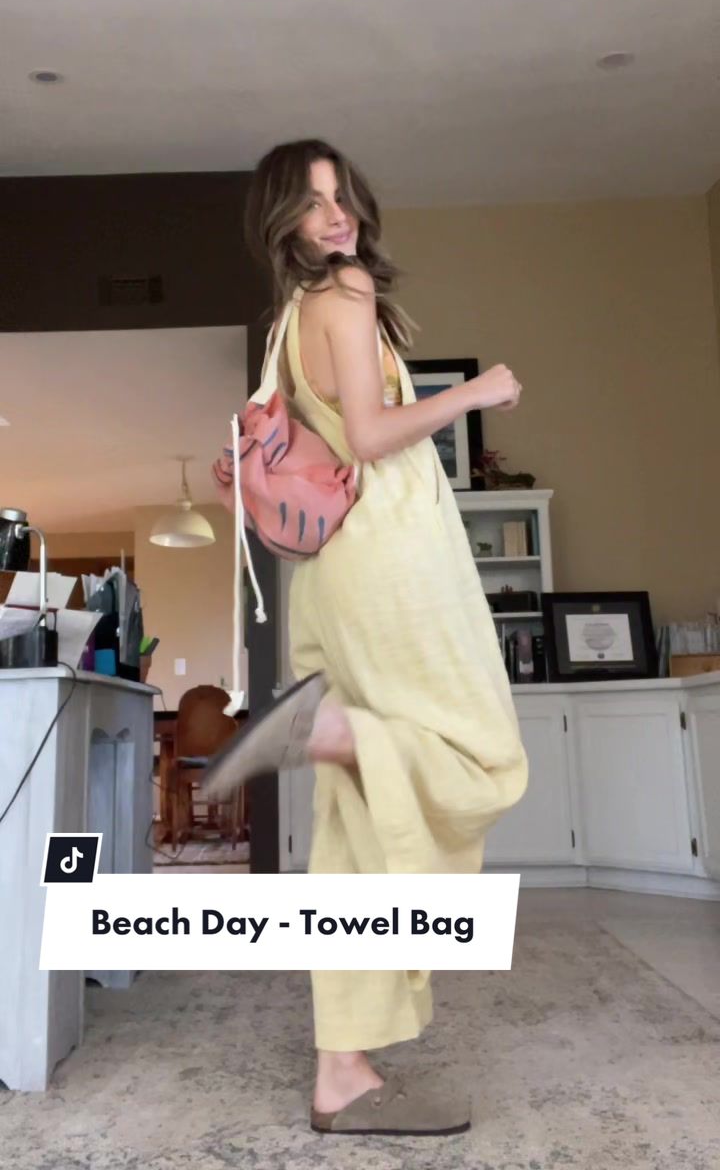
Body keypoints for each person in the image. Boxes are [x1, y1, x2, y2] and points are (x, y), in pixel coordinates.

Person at [206, 138, 529, 1137]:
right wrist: (477, 392)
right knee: (486, 754)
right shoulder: (342, 298)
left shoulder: (288, 318)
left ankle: (340, 1069)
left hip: (329, 579)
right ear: (282, 220)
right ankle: (340, 732)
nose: (336, 213)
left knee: (351, 833)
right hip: (389, 561)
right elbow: (372, 433)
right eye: (312, 202)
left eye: (340, 195)